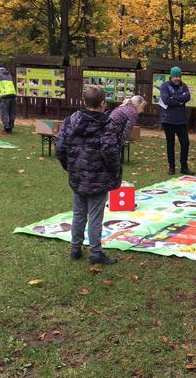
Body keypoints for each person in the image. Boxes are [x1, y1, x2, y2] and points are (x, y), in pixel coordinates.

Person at [56, 87, 145, 265]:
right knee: (94, 215)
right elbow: (110, 150)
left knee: (79, 213)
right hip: (97, 177)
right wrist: (115, 170)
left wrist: (71, 166)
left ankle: (76, 248)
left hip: (78, 175)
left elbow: (60, 145)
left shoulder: (70, 120)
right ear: (103, 103)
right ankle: (95, 252)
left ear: (84, 102)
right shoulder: (106, 124)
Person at [159, 66, 195, 175]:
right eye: (175, 76)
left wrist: (174, 98)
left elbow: (187, 97)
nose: (177, 78)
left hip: (181, 120)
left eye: (179, 76)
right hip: (168, 120)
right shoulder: (164, 86)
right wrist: (180, 101)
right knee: (170, 144)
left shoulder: (184, 86)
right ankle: (172, 167)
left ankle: (184, 167)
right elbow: (165, 100)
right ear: (171, 76)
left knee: (185, 143)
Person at [0, 62, 17, 134]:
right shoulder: (9, 74)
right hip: (13, 95)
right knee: (12, 112)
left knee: (4, 113)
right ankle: (11, 127)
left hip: (4, 96)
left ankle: (6, 128)